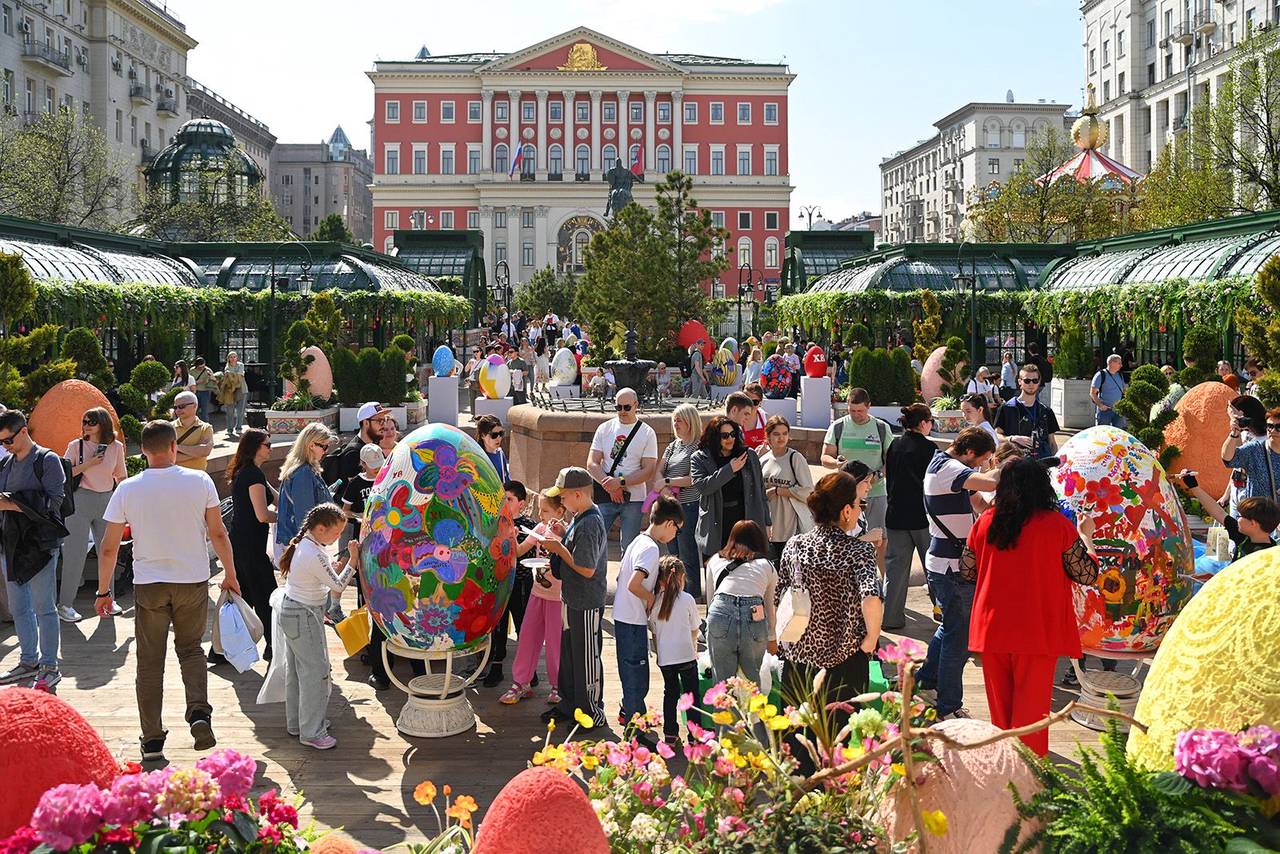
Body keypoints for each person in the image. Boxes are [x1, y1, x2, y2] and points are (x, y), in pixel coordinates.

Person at [95, 420, 239, 761]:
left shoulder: (127, 489)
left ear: (143, 451)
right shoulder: (200, 481)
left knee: (149, 663)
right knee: (191, 651)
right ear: (174, 446)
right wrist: (231, 574)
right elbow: (218, 533)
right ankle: (199, 713)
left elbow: (109, 547)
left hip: (149, 584)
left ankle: (152, 740)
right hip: (192, 580)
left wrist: (103, 592)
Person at [962, 457, 1099, 756]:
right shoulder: (1057, 525)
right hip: (1037, 628)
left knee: (1001, 714)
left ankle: (1004, 768)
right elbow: (1086, 574)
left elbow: (967, 571)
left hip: (993, 626)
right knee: (1032, 716)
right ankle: (1029, 776)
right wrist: (1086, 536)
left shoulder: (986, 521)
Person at [775, 471, 883, 775]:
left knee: (797, 743)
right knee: (835, 745)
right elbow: (871, 598)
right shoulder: (859, 551)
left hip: (798, 660)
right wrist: (871, 640)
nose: (860, 510)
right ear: (846, 510)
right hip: (844, 662)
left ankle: (798, 797)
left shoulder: (795, 546)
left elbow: (780, 595)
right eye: (859, 505)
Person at [916, 427, 999, 720]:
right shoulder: (949, 469)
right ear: (968, 452)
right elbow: (990, 483)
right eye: (981, 459)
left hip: (946, 563)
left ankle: (925, 682)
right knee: (959, 639)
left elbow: (980, 503)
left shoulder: (950, 468)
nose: (982, 466)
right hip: (951, 567)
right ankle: (948, 706)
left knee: (950, 628)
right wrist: (1011, 467)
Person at [273, 503, 356, 750]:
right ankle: (311, 732)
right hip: (303, 615)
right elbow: (338, 586)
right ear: (320, 529)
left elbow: (324, 575)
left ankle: (299, 723)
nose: (339, 537)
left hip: (294, 612)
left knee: (298, 672)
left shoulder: (308, 545)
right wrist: (353, 560)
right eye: (336, 532)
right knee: (316, 673)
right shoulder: (313, 553)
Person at [0, 410, 67, 690]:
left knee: (45, 608)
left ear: (24, 431)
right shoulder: (6, 464)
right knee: (18, 607)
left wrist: (13, 503)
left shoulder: (47, 460)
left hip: (40, 545)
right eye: (1, 442)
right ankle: (28, 661)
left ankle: (50, 666)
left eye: (8, 440)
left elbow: (55, 503)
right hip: (10, 543)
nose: (5, 446)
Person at [539, 467, 609, 729]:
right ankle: (569, 705)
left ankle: (591, 713)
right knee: (570, 657)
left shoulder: (590, 523)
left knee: (586, 659)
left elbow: (587, 569)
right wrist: (564, 533)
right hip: (573, 598)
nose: (561, 501)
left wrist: (558, 548)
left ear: (578, 494)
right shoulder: (583, 516)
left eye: (564, 496)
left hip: (586, 601)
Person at [612, 495, 684, 735]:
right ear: (669, 524)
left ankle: (632, 714)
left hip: (624, 617)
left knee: (632, 674)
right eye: (677, 529)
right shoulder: (651, 549)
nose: (675, 535)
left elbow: (620, 577)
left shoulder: (638, 540)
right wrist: (651, 599)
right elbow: (633, 584)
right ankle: (635, 732)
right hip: (632, 621)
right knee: (637, 679)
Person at [58, 407, 127, 622]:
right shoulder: (75, 445)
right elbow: (62, 473)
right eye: (84, 421)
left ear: (103, 424)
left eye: (91, 422)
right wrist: (88, 463)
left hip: (107, 501)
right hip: (80, 501)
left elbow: (121, 476)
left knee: (108, 552)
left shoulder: (115, 447)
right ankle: (65, 604)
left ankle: (108, 599)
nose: (86, 425)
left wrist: (125, 503)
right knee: (75, 554)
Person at [501, 491, 569, 706]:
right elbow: (520, 551)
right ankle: (521, 683)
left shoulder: (567, 532)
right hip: (537, 593)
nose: (540, 515)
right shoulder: (539, 528)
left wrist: (561, 539)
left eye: (545, 510)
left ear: (560, 511)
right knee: (527, 638)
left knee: (555, 644)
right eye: (539, 509)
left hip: (558, 598)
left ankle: (558, 686)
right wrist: (512, 536)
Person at [821, 387, 892, 572]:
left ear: (869, 406)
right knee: (846, 537)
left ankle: (883, 583)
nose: (855, 415)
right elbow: (825, 457)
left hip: (876, 492)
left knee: (880, 539)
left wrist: (878, 476)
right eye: (852, 410)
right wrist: (835, 462)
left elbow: (891, 460)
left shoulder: (881, 428)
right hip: (846, 495)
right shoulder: (838, 426)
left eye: (860, 410)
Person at [226, 428, 279, 661]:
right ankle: (272, 645)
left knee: (246, 596)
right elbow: (262, 515)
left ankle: (224, 649)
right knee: (266, 595)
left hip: (242, 543)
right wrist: (286, 518)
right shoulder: (253, 475)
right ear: (255, 447)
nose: (271, 448)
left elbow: (277, 499)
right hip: (250, 546)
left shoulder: (249, 472)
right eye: (267, 444)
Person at [882, 403, 936, 630]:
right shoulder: (930, 448)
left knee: (895, 571)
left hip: (896, 514)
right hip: (922, 518)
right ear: (923, 423)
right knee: (934, 568)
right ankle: (941, 611)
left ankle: (891, 618)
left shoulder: (895, 445)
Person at [704, 520, 777, 685]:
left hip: (720, 611)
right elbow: (770, 606)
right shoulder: (767, 565)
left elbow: (711, 600)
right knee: (752, 683)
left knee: (722, 685)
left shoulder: (715, 560)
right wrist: (772, 637)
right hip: (754, 613)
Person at [586, 388, 658, 554]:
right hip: (606, 494)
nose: (622, 411)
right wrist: (610, 486)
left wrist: (620, 482)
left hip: (634, 498)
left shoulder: (647, 433)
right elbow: (591, 463)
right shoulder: (604, 428)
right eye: (618, 407)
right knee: (594, 542)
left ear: (636, 405)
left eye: (627, 407)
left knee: (629, 547)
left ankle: (626, 572)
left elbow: (648, 470)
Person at [276, 424, 337, 617]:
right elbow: (306, 517)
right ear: (311, 445)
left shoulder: (303, 470)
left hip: (304, 545)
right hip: (306, 545)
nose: (325, 451)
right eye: (323, 446)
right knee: (310, 601)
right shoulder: (303, 473)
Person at [692, 415, 770, 562]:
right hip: (716, 522)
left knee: (748, 567)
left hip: (745, 519)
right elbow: (703, 487)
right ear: (714, 437)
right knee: (717, 567)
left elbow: (760, 490)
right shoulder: (699, 458)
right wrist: (730, 469)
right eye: (725, 436)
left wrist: (767, 522)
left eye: (733, 434)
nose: (730, 439)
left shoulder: (748, 455)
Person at [483, 481, 538, 688]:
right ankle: (496, 666)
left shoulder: (528, 525)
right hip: (500, 582)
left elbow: (523, 552)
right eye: (503, 499)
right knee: (498, 625)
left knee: (524, 625)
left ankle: (530, 670)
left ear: (521, 503)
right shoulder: (495, 522)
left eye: (509, 499)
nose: (505, 503)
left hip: (521, 582)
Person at [649, 555, 704, 746]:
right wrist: (694, 649)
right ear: (681, 578)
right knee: (691, 697)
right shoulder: (687, 599)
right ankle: (694, 735)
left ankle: (670, 734)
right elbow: (695, 629)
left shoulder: (655, 602)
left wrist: (659, 654)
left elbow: (654, 633)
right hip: (686, 656)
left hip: (666, 659)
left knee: (670, 694)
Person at [1173, 470, 1278, 560]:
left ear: (1253, 523)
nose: (1238, 519)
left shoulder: (1267, 555)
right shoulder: (1243, 536)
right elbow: (1218, 512)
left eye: (1241, 516)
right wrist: (1194, 486)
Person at [657, 404, 703, 597]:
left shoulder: (698, 446)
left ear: (690, 421)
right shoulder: (673, 446)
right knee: (672, 551)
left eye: (680, 420)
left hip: (688, 505)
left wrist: (667, 482)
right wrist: (664, 489)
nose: (676, 424)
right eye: (674, 420)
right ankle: (675, 592)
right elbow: (659, 471)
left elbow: (694, 478)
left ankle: (692, 595)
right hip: (671, 506)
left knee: (687, 552)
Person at [759, 416, 814, 563]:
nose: (781, 438)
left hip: (791, 528)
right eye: (776, 434)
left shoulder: (795, 458)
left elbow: (808, 491)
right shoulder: (763, 460)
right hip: (769, 527)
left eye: (784, 433)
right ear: (768, 436)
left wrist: (778, 491)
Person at [994, 365, 1059, 457]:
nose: (1031, 384)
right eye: (1027, 381)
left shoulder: (1046, 411)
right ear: (1020, 382)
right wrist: (1013, 439)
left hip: (1041, 461)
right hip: (1015, 461)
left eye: (1035, 381)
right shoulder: (1007, 408)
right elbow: (997, 436)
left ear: (1039, 382)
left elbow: (1052, 444)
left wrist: (1055, 462)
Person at [1221, 406, 1280, 502]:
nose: (1273, 431)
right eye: (1270, 426)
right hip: (1257, 510)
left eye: (1278, 427)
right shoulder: (1255, 449)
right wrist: (1234, 433)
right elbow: (1228, 459)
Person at [171, 391, 214, 471]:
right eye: (175, 407)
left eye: (181, 406)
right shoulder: (169, 428)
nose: (177, 410)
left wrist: (176, 447)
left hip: (198, 476)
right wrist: (197, 452)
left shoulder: (206, 428)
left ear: (194, 405)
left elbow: (205, 451)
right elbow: (168, 458)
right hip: (175, 476)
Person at [1090, 354, 1128, 428]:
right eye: (1119, 363)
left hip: (1118, 410)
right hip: (1105, 411)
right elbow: (1092, 393)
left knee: (1118, 433)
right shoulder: (1100, 375)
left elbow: (1124, 390)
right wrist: (1100, 405)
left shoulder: (1120, 375)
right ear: (1112, 363)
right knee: (1103, 432)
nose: (1121, 365)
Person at [221, 352, 249, 439]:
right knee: (230, 411)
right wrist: (234, 375)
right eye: (231, 357)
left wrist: (231, 374)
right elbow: (230, 375)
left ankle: (239, 428)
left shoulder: (240, 365)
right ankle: (229, 429)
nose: (233, 359)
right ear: (228, 358)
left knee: (240, 410)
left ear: (237, 358)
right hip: (230, 390)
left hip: (241, 389)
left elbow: (239, 376)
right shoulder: (227, 366)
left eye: (234, 357)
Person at [190, 357, 217, 423]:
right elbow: (189, 381)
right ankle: (193, 423)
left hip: (205, 391)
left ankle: (205, 424)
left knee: (204, 409)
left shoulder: (208, 370)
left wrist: (212, 378)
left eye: (203, 367)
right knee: (194, 409)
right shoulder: (192, 371)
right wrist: (197, 382)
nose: (202, 368)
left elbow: (215, 380)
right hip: (195, 391)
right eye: (200, 367)